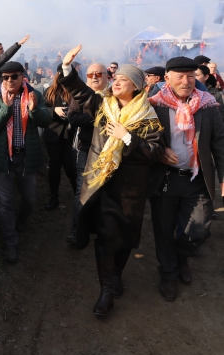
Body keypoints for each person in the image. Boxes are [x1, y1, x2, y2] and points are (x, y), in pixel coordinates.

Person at [59, 45, 164, 316]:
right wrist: (67, 67)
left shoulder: (148, 117)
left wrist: (127, 137)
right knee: (105, 236)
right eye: (115, 79)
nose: (115, 82)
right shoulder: (102, 106)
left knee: (126, 236)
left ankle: (117, 273)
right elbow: (80, 92)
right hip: (102, 182)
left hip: (131, 188)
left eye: (123, 80)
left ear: (137, 87)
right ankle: (106, 291)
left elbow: (154, 152)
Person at [147, 57, 224, 302]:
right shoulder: (153, 105)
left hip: (197, 179)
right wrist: (160, 152)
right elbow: (142, 141)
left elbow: (219, 143)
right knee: (164, 229)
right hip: (165, 179)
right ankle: (169, 273)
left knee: (199, 229)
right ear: (166, 78)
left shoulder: (208, 105)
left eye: (191, 76)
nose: (186, 81)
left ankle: (182, 256)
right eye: (179, 76)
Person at [0, 61, 52, 263]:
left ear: (23, 76)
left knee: (29, 198)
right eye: (5, 77)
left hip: (25, 155)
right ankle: (11, 242)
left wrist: (34, 110)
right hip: (3, 157)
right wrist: (5, 107)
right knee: (5, 202)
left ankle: (22, 221)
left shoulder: (33, 95)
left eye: (14, 76)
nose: (9, 81)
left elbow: (45, 121)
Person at [65, 62, 108, 244]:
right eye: (91, 75)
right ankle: (78, 231)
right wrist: (99, 119)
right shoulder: (80, 95)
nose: (95, 77)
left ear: (108, 76)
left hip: (110, 150)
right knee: (81, 190)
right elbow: (72, 117)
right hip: (87, 147)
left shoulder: (115, 96)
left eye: (99, 73)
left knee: (106, 191)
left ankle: (103, 230)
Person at [42, 64, 77, 211]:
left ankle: (78, 194)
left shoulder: (76, 91)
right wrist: (53, 111)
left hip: (71, 134)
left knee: (70, 167)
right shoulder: (49, 91)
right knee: (55, 166)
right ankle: (53, 197)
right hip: (53, 134)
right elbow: (41, 110)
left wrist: (72, 113)